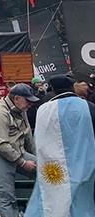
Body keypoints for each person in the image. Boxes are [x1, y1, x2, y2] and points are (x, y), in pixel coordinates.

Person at [25, 74, 95, 216]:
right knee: (83, 198)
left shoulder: (43, 110)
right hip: (84, 162)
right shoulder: (88, 107)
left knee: (53, 197)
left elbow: (39, 138)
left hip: (54, 164)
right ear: (72, 86)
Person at [0, 84, 38, 217]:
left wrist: (34, 156)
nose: (30, 105)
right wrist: (23, 163)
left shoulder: (20, 109)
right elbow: (0, 145)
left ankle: (38, 210)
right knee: (7, 198)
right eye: (28, 101)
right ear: (16, 98)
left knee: (48, 172)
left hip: (15, 152)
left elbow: (27, 136)